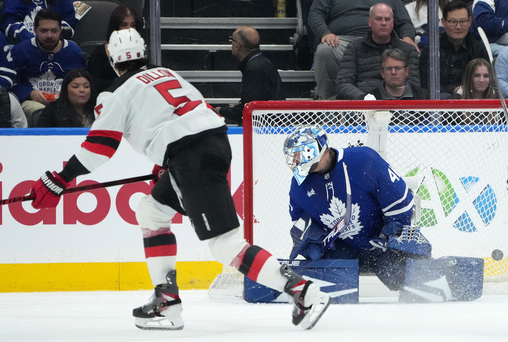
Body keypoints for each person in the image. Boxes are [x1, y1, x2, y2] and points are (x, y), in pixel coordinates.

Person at [28, 28, 330, 331]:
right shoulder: (167, 74)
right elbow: (195, 113)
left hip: (191, 157)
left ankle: (302, 291)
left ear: (112, 60)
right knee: (151, 210)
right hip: (211, 145)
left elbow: (99, 148)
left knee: (225, 245)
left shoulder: (116, 95)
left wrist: (60, 179)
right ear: (144, 53)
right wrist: (168, 163)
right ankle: (166, 300)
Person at [283, 125, 483, 302]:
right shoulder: (298, 186)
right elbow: (302, 223)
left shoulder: (363, 160)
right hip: (342, 247)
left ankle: (448, 273)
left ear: (319, 149)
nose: (300, 164)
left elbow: (401, 200)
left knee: (406, 278)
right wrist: (310, 243)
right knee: (332, 289)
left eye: (302, 157)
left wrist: (393, 231)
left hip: (382, 241)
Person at [308, 0, 417, 99]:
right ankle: (330, 103)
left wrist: (407, 36)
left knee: (409, 49)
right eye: (380, 19)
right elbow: (315, 14)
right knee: (325, 50)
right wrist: (325, 32)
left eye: (386, 19)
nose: (383, 22)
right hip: (341, 40)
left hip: (386, 40)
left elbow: (404, 21)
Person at [0, 8, 86, 121]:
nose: (49, 35)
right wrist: (29, 93)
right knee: (41, 113)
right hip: (32, 103)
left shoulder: (74, 51)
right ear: (34, 30)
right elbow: (11, 83)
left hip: (66, 103)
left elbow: (84, 82)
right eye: (44, 31)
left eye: (54, 31)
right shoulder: (21, 50)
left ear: (61, 30)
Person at [213, 26, 285, 126]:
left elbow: (249, 109)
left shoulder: (253, 69)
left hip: (262, 128)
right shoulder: (261, 62)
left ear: (237, 45)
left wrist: (220, 110)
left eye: (232, 40)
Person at [419, 1, 489, 99]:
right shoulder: (432, 50)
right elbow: (425, 84)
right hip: (439, 103)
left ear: (470, 21)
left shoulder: (479, 49)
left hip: (471, 100)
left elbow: (487, 81)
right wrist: (453, 90)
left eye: (463, 21)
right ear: (443, 22)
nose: (458, 27)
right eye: (453, 22)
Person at [87, 5, 143, 98]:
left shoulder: (141, 52)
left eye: (133, 25)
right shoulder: (100, 53)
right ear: (115, 26)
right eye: (124, 25)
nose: (129, 29)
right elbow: (94, 83)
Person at [449, 58, 498, 124]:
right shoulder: (454, 102)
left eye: (486, 76)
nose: (482, 80)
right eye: (477, 76)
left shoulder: (498, 100)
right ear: (469, 77)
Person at [2, 0, 76, 43]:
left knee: (73, 47)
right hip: (24, 44)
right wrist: (34, 40)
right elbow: (9, 24)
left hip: (56, 44)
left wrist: (51, 37)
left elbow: (69, 26)